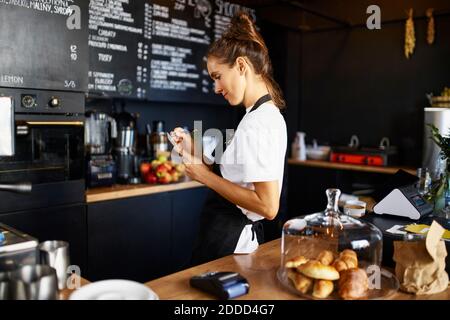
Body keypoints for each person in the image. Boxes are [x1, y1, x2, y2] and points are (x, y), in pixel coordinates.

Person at [171, 12, 287, 265]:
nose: (216, 88)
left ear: (242, 66)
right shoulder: (258, 115)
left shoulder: (259, 122)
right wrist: (199, 153)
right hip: (223, 237)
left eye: (218, 76)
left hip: (232, 243)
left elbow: (268, 207)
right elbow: (238, 177)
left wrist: (204, 176)